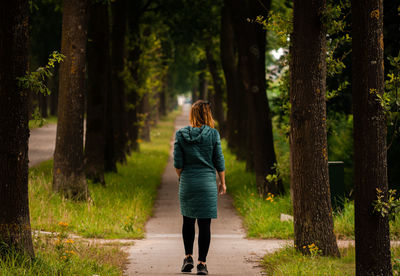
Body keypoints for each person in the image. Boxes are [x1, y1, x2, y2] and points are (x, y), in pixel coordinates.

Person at [173, 100, 226, 275]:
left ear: (192, 114)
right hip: (207, 184)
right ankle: (202, 264)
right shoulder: (213, 134)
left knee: (187, 220)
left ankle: (188, 257)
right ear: (208, 114)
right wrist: (222, 182)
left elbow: (178, 164)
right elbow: (219, 160)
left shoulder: (181, 135)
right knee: (205, 224)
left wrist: (184, 177)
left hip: (188, 181)